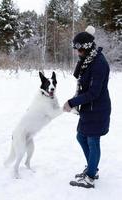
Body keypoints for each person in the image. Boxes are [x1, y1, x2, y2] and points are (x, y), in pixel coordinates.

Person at [63, 26, 111, 189]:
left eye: (80, 49)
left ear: (87, 48)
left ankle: (90, 176)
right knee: (81, 137)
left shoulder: (99, 63)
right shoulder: (88, 59)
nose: (78, 53)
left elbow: (93, 93)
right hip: (88, 108)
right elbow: (80, 76)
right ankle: (92, 167)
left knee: (92, 140)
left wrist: (72, 102)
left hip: (97, 108)